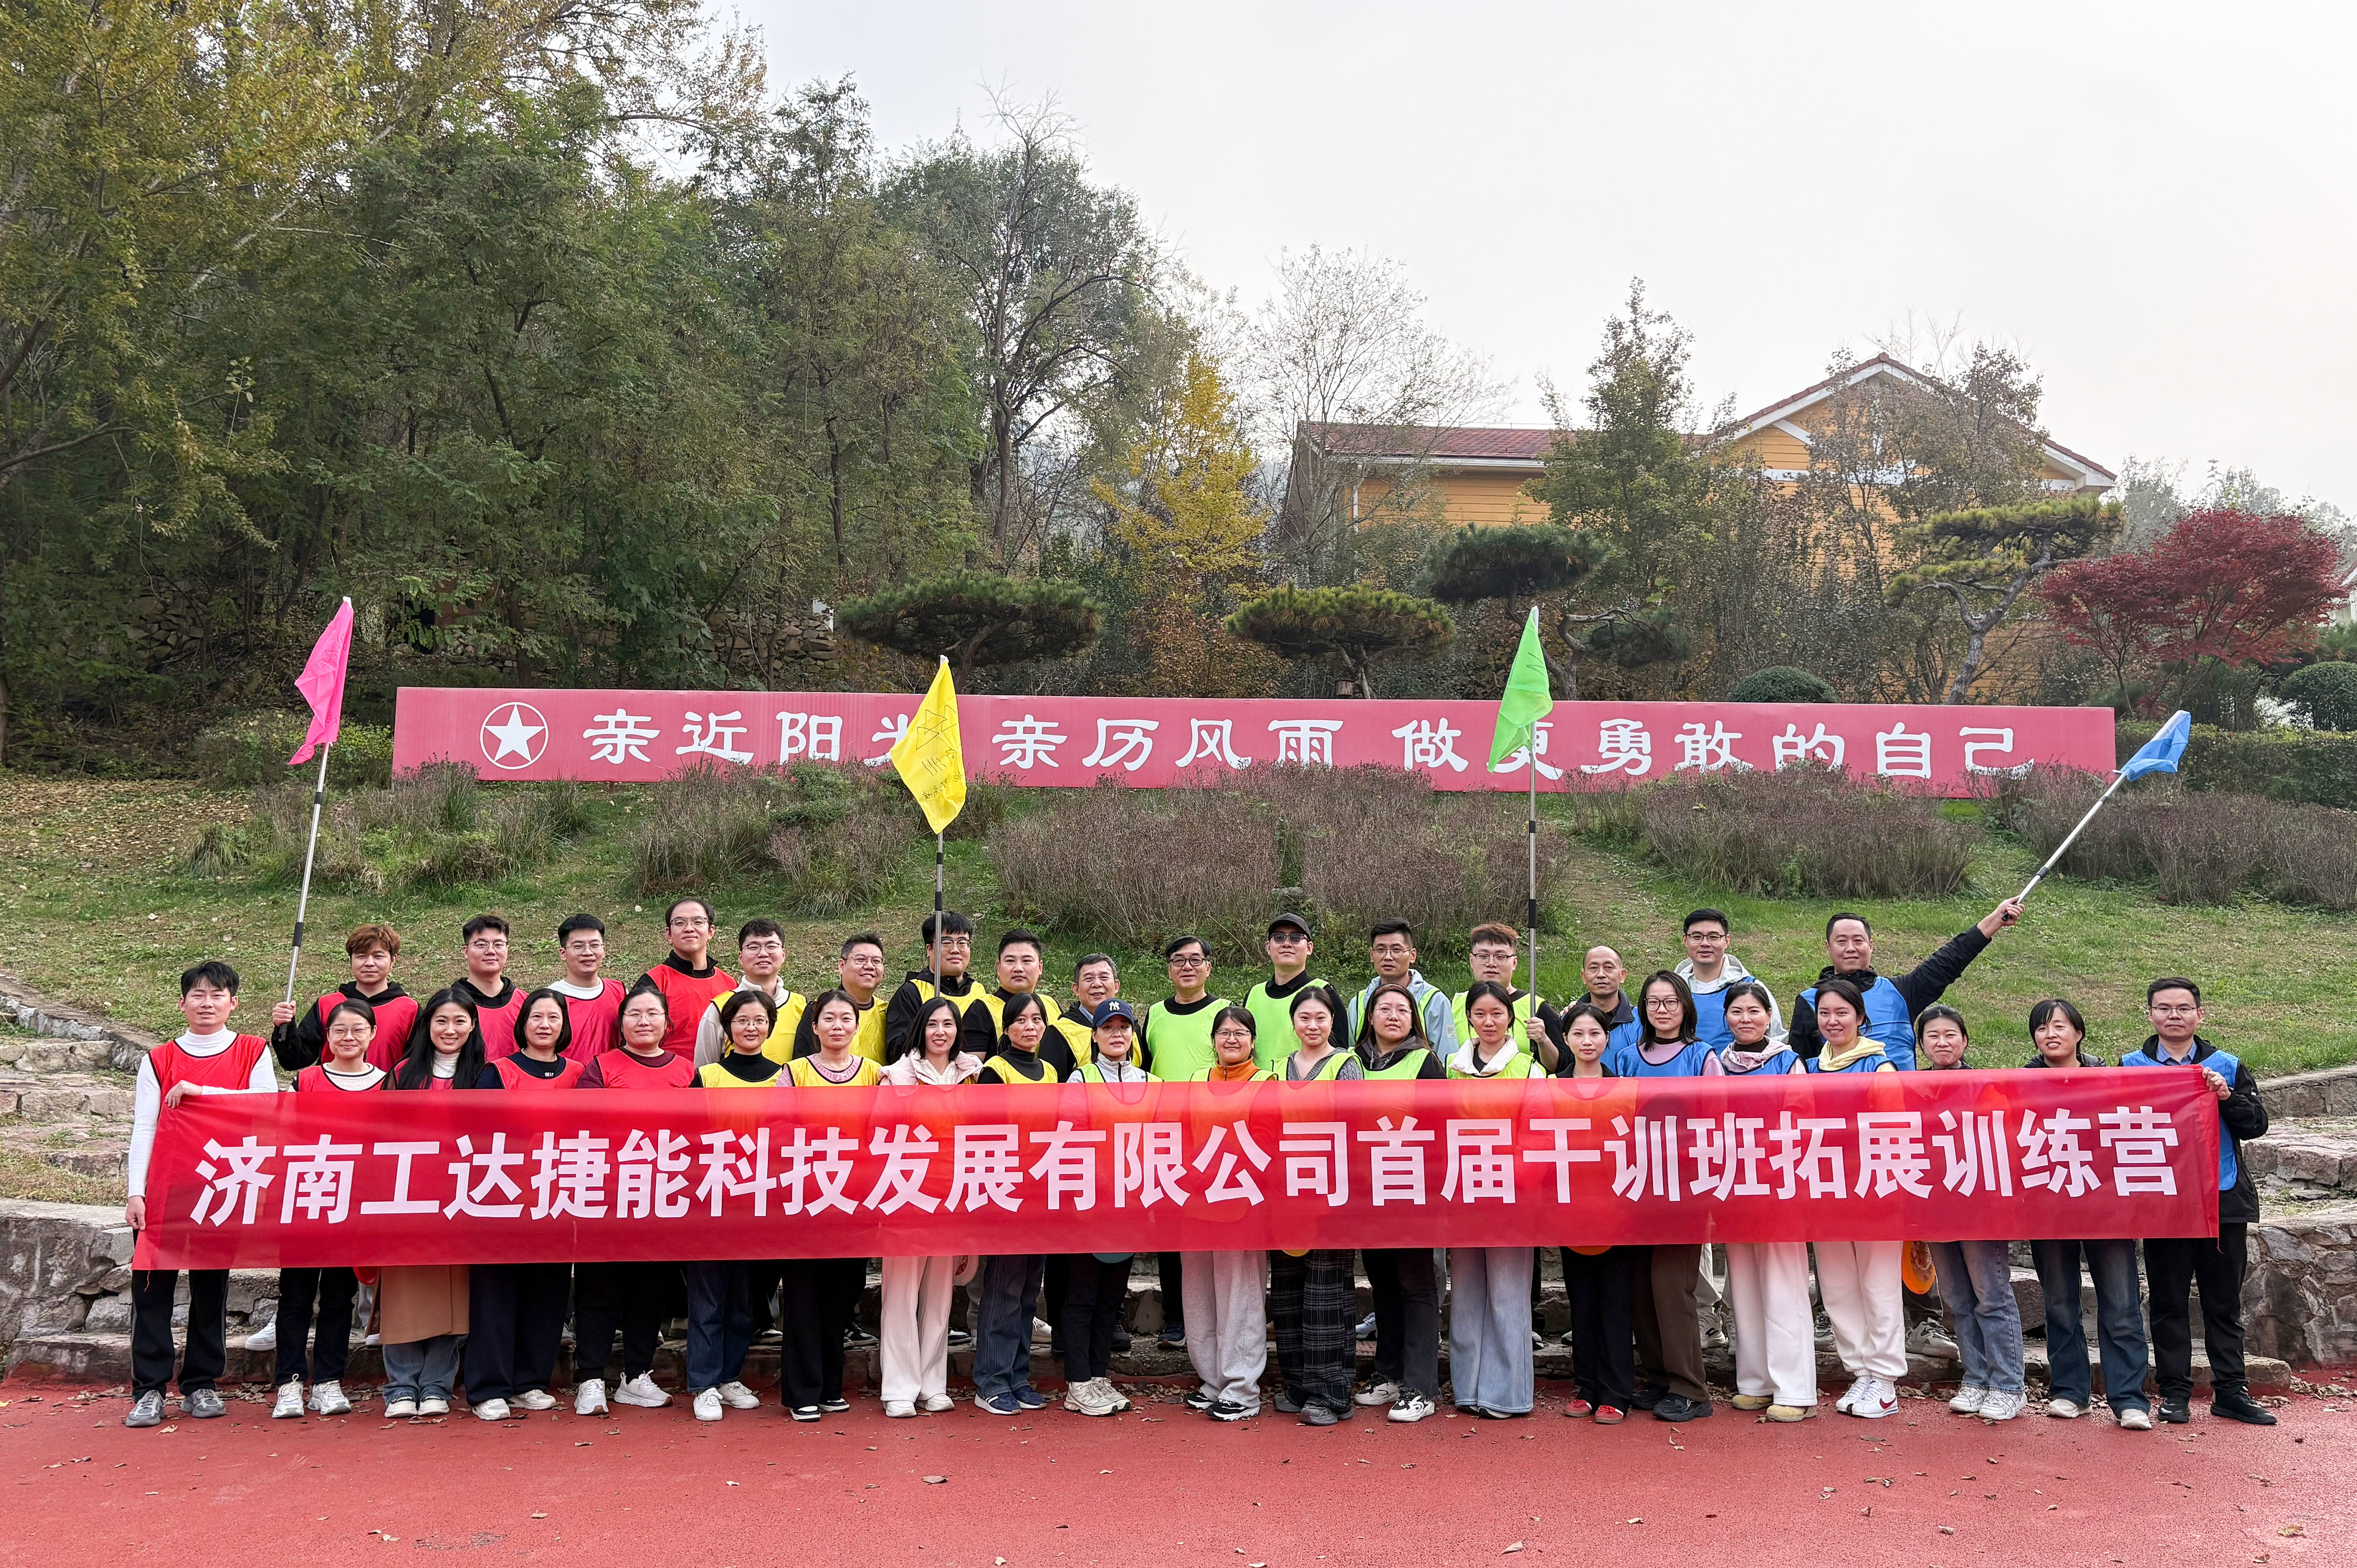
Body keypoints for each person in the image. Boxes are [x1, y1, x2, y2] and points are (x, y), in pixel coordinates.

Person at [124, 961, 278, 1429]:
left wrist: (200, 1091)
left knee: (211, 1289)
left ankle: (201, 1383)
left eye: (217, 995)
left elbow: (267, 1104)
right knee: (152, 1291)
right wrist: (136, 1193)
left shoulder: (253, 1051)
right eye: (198, 995)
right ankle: (149, 1390)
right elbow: (144, 1127)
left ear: (234, 1003)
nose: (207, 1003)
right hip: (166, 1189)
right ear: (182, 1003)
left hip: (221, 1187)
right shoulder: (158, 1059)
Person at [2123, 978, 2276, 1427]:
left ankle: (2231, 1392)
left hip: (2221, 1201)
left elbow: (2256, 1125)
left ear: (2199, 1015)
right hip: (2162, 1201)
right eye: (2164, 1008)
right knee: (2168, 1302)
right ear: (2150, 1014)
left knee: (2223, 1303)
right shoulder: (2131, 1067)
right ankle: (2174, 1393)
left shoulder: (2226, 1065)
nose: (2174, 1015)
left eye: (2183, 1008)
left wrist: (2226, 1096)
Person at [2021, 996, 2152, 1429]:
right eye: (2042, 1028)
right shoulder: (2020, 1084)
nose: (2051, 1034)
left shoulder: (2109, 1079)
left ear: (2078, 1033)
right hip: (2049, 1209)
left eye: (2059, 1026)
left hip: (2106, 1209)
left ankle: (2129, 1399)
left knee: (2121, 1303)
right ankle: (2069, 1392)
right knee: (2060, 1303)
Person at [572, 985, 690, 1416]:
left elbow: (697, 1134)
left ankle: (637, 1375)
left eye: (652, 1013)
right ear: (620, 1023)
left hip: (662, 1196)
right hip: (606, 1195)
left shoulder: (686, 1071)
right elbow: (582, 1127)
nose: (644, 1021)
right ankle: (590, 1378)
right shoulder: (601, 1067)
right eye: (634, 1014)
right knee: (599, 1289)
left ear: (667, 1022)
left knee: (650, 1289)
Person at [464, 988, 581, 1421]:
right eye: (536, 1017)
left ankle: (529, 1381)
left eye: (553, 1017)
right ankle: (489, 1388)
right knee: (496, 1293)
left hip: (558, 1198)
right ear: (523, 1024)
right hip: (504, 1198)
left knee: (547, 1293)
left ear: (564, 1026)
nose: (545, 1025)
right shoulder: (499, 1072)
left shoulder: (580, 1073)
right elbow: (479, 1133)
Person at [1608, 971, 1718, 1422]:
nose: (1662, 1010)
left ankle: (1692, 1389)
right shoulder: (1626, 1058)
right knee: (1641, 1288)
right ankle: (1658, 1378)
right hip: (1638, 1187)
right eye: (1653, 1002)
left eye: (1671, 1001)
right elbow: (1615, 1118)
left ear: (1685, 1006)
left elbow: (1717, 1120)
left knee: (1672, 1286)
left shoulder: (1701, 1056)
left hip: (1684, 1189)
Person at [269, 998, 385, 1419]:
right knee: (296, 1295)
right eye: (339, 1030)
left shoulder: (387, 1083)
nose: (348, 1038)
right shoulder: (307, 1080)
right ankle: (289, 1382)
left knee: (339, 1296)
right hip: (307, 1200)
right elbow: (283, 1135)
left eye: (358, 1030)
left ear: (372, 1034)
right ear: (327, 1036)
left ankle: (329, 1382)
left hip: (356, 1206)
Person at [1911, 1005, 2025, 1423]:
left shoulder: (1986, 1086)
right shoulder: (1913, 1088)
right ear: (1921, 1045)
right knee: (1958, 1300)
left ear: (1965, 1040)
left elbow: (2004, 1142)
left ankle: (2009, 1385)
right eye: (1933, 1036)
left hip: (1980, 1209)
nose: (1942, 1043)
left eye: (1950, 1035)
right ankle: (1976, 1378)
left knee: (1991, 1296)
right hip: (1935, 1208)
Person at [1801, 979, 1907, 1420]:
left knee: (1878, 1285)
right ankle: (1860, 1371)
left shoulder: (1879, 1067)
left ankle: (1885, 1379)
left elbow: (1894, 1133)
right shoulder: (1808, 1068)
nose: (1833, 1021)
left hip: (1872, 1192)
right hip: (1826, 1192)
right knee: (1838, 1286)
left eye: (1842, 1013)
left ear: (1860, 1018)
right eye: (1825, 1013)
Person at [774, 989, 878, 1420]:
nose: (838, 1026)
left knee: (842, 1295)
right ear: (814, 1027)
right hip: (805, 1198)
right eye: (829, 1019)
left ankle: (831, 1386)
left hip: (853, 1200)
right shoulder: (795, 1072)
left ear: (857, 1026)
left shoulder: (873, 1073)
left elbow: (884, 1131)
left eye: (846, 1019)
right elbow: (779, 1130)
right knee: (803, 1296)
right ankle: (802, 1392)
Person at [1712, 981, 1814, 1422]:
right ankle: (1755, 1382)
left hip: (1777, 1184)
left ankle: (1795, 1389)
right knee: (1744, 1285)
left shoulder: (1787, 1061)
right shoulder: (1717, 1063)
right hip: (1733, 1185)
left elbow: (1803, 1122)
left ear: (1769, 1016)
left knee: (1783, 1283)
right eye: (1737, 1011)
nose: (1746, 1019)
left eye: (1754, 1011)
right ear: (1726, 1017)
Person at [378, 989, 482, 1418]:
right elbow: (381, 1136)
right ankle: (401, 1387)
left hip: (462, 1201)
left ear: (473, 1026)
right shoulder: (403, 1074)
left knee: (451, 1296)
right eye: (441, 1021)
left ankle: (438, 1385)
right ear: (426, 1025)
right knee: (403, 1292)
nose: (450, 1030)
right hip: (407, 1198)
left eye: (459, 1021)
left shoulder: (485, 1074)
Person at [685, 990, 784, 1423]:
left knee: (746, 1298)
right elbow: (688, 1138)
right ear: (727, 1028)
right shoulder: (707, 1076)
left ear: (770, 1027)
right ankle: (703, 1383)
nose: (750, 1028)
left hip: (761, 1203)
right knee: (708, 1296)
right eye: (742, 1020)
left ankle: (728, 1376)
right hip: (712, 1200)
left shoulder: (784, 1078)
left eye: (759, 1020)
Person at [878, 997, 977, 1418]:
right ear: (920, 1029)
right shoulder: (896, 1076)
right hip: (907, 1194)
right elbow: (880, 1135)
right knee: (900, 1293)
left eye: (948, 1024)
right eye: (933, 1024)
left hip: (953, 1195)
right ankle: (899, 1388)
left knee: (940, 1293)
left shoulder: (972, 1074)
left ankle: (933, 1384)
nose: (941, 1032)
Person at [1444, 981, 1538, 1418]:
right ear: (1469, 1018)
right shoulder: (1452, 1067)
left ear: (1510, 1019)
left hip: (1510, 1192)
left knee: (1507, 1291)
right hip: (1462, 1190)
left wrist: (1516, 1178)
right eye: (1480, 1014)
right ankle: (1467, 1387)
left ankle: (1507, 1394)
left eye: (1497, 1014)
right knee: (1465, 1290)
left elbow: (1537, 1133)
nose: (1488, 1022)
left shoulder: (1527, 1068)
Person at [1351, 982, 1444, 1423]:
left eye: (1402, 1010)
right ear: (1369, 1017)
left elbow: (1439, 1126)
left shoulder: (1425, 1062)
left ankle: (1421, 1387)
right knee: (1383, 1284)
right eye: (1384, 1008)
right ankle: (1389, 1372)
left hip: (1410, 1189)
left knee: (1417, 1286)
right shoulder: (1352, 1063)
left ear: (1414, 1020)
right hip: (1365, 1189)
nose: (1393, 1016)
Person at [1175, 1007, 1274, 1421]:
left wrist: (1219, 1172)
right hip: (1197, 1203)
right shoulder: (1197, 1079)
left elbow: (1267, 1143)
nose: (1231, 1039)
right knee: (1199, 1295)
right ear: (1213, 1039)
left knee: (1240, 1298)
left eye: (1240, 1033)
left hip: (1240, 1204)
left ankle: (1242, 1388)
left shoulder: (1266, 1082)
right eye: (1224, 1033)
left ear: (1253, 1040)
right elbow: (1180, 1134)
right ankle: (1213, 1380)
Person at [1789, 898, 2024, 1068]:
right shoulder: (1809, 1001)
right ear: (1828, 947)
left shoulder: (1900, 992)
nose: (1851, 948)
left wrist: (1995, 920)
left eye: (1858, 941)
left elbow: (1948, 962)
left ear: (1871, 946)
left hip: (1901, 1109)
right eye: (1842, 942)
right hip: (1841, 1112)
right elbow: (1800, 1070)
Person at [1269, 986, 1360, 1427]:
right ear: (1293, 1022)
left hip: (1330, 1194)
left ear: (1332, 1023)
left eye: (1321, 1018)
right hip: (1284, 1195)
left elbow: (1356, 1126)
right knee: (1287, 1294)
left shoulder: (1345, 1065)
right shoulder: (1276, 1068)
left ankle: (1331, 1393)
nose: (1312, 1025)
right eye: (1304, 1017)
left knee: (1326, 1295)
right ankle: (1297, 1385)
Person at [1057, 1000, 1148, 1418]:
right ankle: (1077, 1383)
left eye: (1123, 1027)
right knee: (1083, 1295)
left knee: (1111, 1296)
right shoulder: (1081, 1078)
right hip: (1090, 1205)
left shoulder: (1151, 1082)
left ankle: (1097, 1375)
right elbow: (1070, 1139)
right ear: (1094, 1035)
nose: (1117, 1034)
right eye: (1108, 1027)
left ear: (1132, 1034)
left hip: (1130, 1205)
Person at [1139, 932, 1229, 1345]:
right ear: (1169, 969)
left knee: (1212, 1227)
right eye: (1179, 960)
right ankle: (1177, 1318)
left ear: (1209, 967)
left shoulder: (1224, 1012)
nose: (1187, 967)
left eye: (1195, 959)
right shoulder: (1156, 1014)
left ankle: (1215, 1317)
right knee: (1170, 1231)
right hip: (1165, 1135)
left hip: (1212, 1136)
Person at [972, 993, 1060, 1415]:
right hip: (1007, 1191)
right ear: (1007, 1028)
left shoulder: (1051, 1071)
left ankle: (1018, 1376)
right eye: (1021, 1020)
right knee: (1003, 1287)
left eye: (1036, 1019)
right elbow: (987, 1134)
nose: (1030, 1027)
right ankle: (991, 1380)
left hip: (1042, 1190)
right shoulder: (995, 1069)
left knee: (1028, 1290)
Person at [1555, 1002, 1638, 1425]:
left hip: (1616, 1209)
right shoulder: (1551, 1088)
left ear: (1607, 1038)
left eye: (1595, 1034)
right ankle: (1586, 1387)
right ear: (1565, 1039)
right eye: (1578, 1034)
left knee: (1616, 1304)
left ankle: (1617, 1391)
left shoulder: (1624, 1088)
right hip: (1570, 1210)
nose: (1587, 1042)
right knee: (1582, 1303)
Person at [270, 922, 418, 1073]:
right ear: (351, 960)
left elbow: (419, 1064)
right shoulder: (327, 1005)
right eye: (361, 956)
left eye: (378, 956)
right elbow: (294, 1060)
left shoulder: (409, 1010)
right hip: (332, 1087)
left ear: (393, 960)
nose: (369, 963)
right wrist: (285, 1025)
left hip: (387, 1087)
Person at [960, 928, 1079, 1076]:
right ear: (999, 968)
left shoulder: (1050, 1004)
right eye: (1010, 961)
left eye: (1027, 961)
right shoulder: (981, 1010)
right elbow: (970, 1072)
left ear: (1040, 967)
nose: (1018, 968)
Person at [693, 918, 805, 1066]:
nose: (763, 954)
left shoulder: (802, 1006)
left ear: (783, 954)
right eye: (753, 947)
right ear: (741, 957)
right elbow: (704, 1071)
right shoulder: (720, 1008)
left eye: (771, 946)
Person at [636, 897, 737, 1057]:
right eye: (680, 923)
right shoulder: (654, 982)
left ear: (711, 931)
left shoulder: (730, 985)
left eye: (698, 922)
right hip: (670, 1071)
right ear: (669, 934)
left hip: (720, 1071)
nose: (689, 928)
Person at [1673, 909, 1785, 1052]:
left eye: (1714, 937)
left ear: (1727, 941)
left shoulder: (1751, 987)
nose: (1705, 943)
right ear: (1685, 940)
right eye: (1697, 937)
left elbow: (1777, 1041)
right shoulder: (1671, 990)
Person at [1346, 920, 1456, 1056]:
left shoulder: (1435, 1001)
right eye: (1381, 950)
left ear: (1412, 955)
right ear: (1372, 955)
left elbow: (1447, 1059)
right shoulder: (1358, 1003)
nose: (1388, 957)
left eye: (1397, 950)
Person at [883, 911, 983, 1059]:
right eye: (947, 943)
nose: (955, 950)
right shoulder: (912, 993)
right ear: (929, 949)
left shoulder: (979, 991)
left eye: (963, 943)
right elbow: (896, 1052)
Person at [786, 932, 891, 1063]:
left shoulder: (887, 1011)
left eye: (876, 961)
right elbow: (804, 1066)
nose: (869, 966)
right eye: (860, 960)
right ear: (842, 966)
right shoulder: (820, 1010)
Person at [1451, 923, 1548, 1058]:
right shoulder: (1454, 1005)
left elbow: (1563, 1062)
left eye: (1500, 957)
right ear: (1472, 961)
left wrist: (1543, 1041)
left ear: (1514, 963)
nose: (1491, 963)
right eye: (1483, 956)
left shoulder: (1536, 1007)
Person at [1540, 946, 1642, 1074]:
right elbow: (1561, 1065)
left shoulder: (1641, 1022)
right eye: (1594, 968)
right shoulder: (1568, 1019)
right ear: (1584, 976)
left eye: (1609, 968)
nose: (1601, 974)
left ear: (1622, 975)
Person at [1243, 915, 1325, 1072]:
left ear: (1309, 948)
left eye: (1296, 938)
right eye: (1279, 937)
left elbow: (1337, 1056)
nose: (1287, 943)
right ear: (1268, 947)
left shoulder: (1324, 993)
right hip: (1256, 1085)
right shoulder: (1254, 994)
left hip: (1304, 1086)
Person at [548, 913, 627, 1062]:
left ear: (604, 950)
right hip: (569, 1076)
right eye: (578, 947)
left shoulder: (619, 992)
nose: (588, 953)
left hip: (614, 1074)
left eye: (595, 945)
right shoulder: (550, 999)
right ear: (563, 953)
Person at [455, 914, 526, 1059]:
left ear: (507, 949)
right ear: (465, 951)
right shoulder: (449, 1004)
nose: (491, 951)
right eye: (481, 945)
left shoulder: (525, 1003)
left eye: (498, 945)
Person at [1054, 952, 1121, 1064]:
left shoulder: (1131, 1028)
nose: (1097, 984)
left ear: (1116, 986)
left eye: (1104, 977)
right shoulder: (1061, 1033)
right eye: (1089, 979)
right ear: (1076, 989)